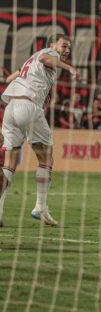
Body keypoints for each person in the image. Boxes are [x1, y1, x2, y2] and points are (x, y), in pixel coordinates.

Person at [0, 35, 81, 227]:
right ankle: (40, 207)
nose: (66, 50)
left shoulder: (32, 59)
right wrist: (69, 68)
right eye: (64, 46)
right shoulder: (48, 54)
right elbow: (46, 59)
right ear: (52, 45)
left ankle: (0, 210)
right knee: (47, 158)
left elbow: (16, 75)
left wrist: (10, 79)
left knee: (9, 163)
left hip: (10, 108)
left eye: (69, 48)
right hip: (28, 107)